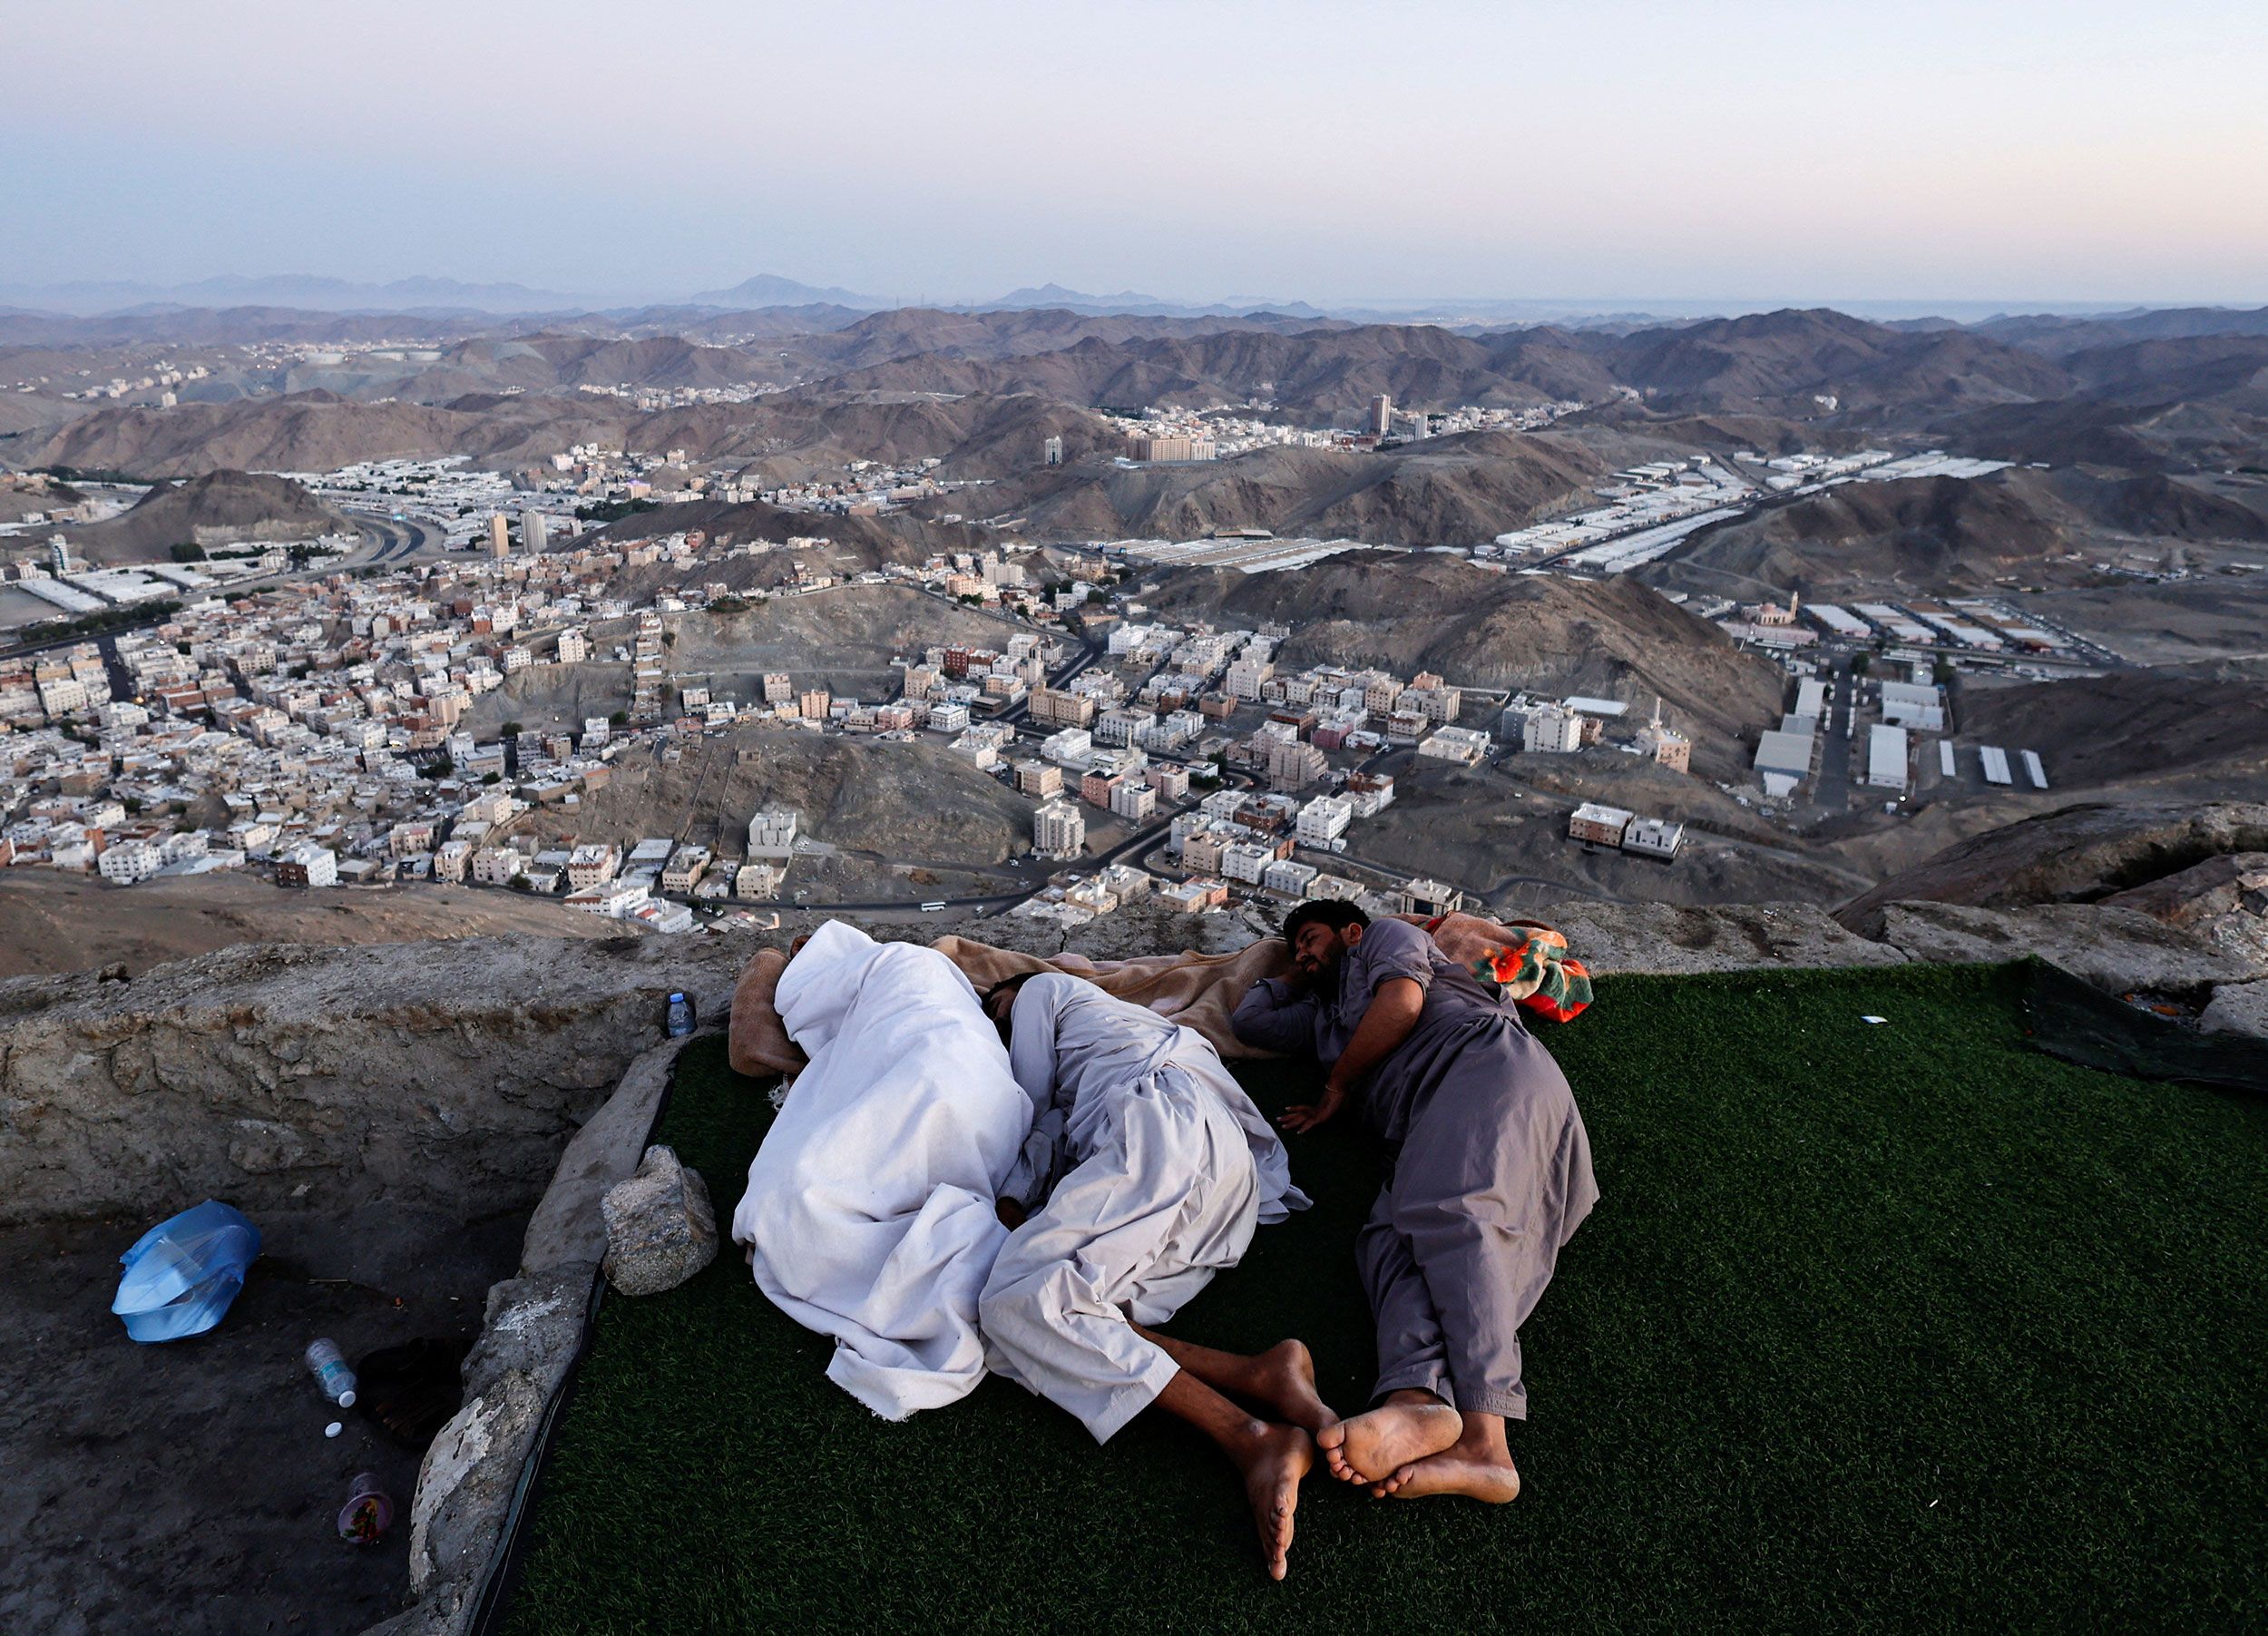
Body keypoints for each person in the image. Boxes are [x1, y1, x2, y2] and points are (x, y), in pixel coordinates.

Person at [1231, 901, 1598, 1503]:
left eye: (1312, 937)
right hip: (1431, 1125)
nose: (1302, 949)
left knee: (1456, 1215)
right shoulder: (1323, 1017)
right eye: (1295, 944)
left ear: (1352, 930)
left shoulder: (1385, 938)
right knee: (1388, 1244)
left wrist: (1338, 1087)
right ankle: (1416, 1398)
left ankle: (1487, 1440)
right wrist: (1297, 970)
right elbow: (1251, 1021)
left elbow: (1402, 1004)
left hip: (1484, 1066)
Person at [977, 971, 1332, 1580]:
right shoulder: (1118, 1038)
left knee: (1015, 1298)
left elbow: (1028, 1106)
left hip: (1160, 1127)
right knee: (1076, 1312)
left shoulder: (1042, 992)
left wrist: (1011, 1204)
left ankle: (1249, 1436)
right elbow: (1054, 1123)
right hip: (1225, 1181)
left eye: (999, 1008)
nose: (1002, 1020)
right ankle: (1260, 1373)